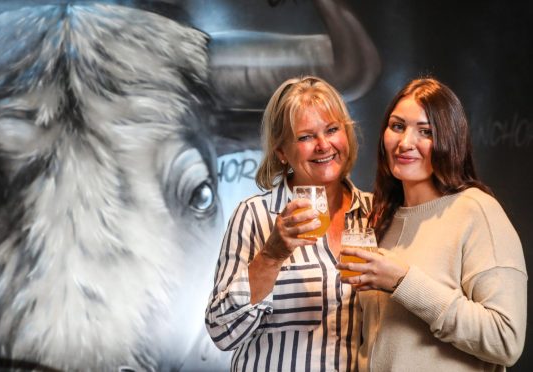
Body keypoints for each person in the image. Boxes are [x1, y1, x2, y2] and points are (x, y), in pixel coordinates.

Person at [336, 77, 527, 371]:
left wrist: (403, 281)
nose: (405, 143)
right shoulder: (382, 218)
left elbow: (505, 341)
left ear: (450, 140)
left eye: (425, 131)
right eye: (397, 126)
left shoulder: (477, 211)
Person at [205, 76, 372, 371]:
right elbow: (222, 331)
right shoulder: (255, 214)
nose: (323, 146)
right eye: (306, 137)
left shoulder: (375, 212)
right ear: (282, 152)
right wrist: (271, 255)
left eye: (332, 130)